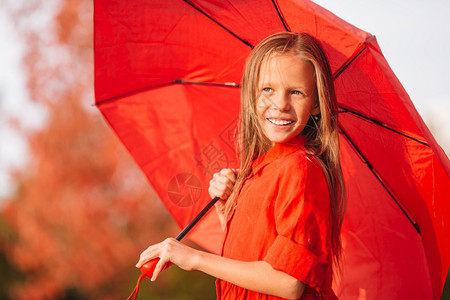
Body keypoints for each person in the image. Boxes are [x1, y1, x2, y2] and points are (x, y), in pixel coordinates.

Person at [136, 32, 346, 300]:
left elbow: (288, 281)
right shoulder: (261, 170)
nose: (280, 104)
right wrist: (228, 213)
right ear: (252, 95)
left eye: (296, 92)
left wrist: (194, 258)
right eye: (268, 89)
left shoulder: (300, 170)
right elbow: (253, 254)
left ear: (316, 104)